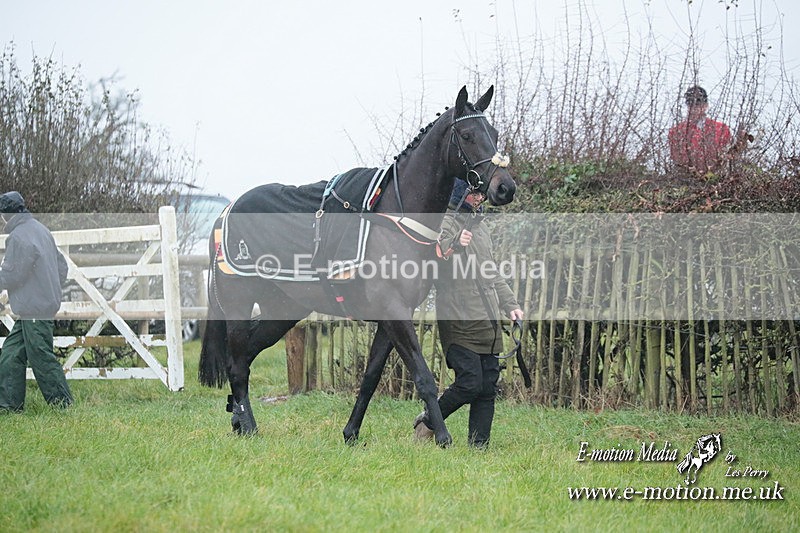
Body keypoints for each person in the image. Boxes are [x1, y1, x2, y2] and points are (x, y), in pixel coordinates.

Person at [414, 180, 523, 449]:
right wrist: (456, 243)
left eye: (481, 194)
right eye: (474, 193)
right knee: (470, 382)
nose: (479, 198)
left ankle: (478, 448)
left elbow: (491, 270)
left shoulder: (481, 226)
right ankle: (429, 421)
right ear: (460, 194)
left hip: (487, 317)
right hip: (458, 315)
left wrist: (510, 303)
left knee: (487, 386)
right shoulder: (444, 220)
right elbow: (435, 255)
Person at [0, 191, 72, 412]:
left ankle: (63, 405)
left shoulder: (19, 236)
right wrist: (49, 288)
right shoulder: (41, 230)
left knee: (41, 357)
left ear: (6, 214)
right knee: (10, 355)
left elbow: (12, 274)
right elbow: (62, 267)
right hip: (37, 307)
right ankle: (9, 406)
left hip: (34, 309)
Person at [668, 85, 733, 175]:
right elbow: (677, 160)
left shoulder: (721, 129)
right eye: (690, 103)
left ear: (706, 105)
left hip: (717, 179)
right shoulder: (676, 132)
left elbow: (727, 158)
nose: (694, 107)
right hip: (686, 180)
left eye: (698, 103)